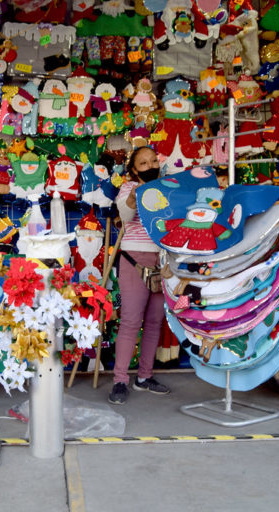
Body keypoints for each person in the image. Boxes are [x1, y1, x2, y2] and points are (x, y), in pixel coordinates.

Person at [108, 146, 170, 405]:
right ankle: (120, 380)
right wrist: (134, 197)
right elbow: (125, 215)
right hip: (134, 259)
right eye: (143, 163)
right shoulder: (128, 189)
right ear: (133, 170)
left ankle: (144, 376)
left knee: (154, 322)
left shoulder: (168, 188)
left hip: (163, 262)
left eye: (153, 160)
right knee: (131, 322)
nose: (150, 165)